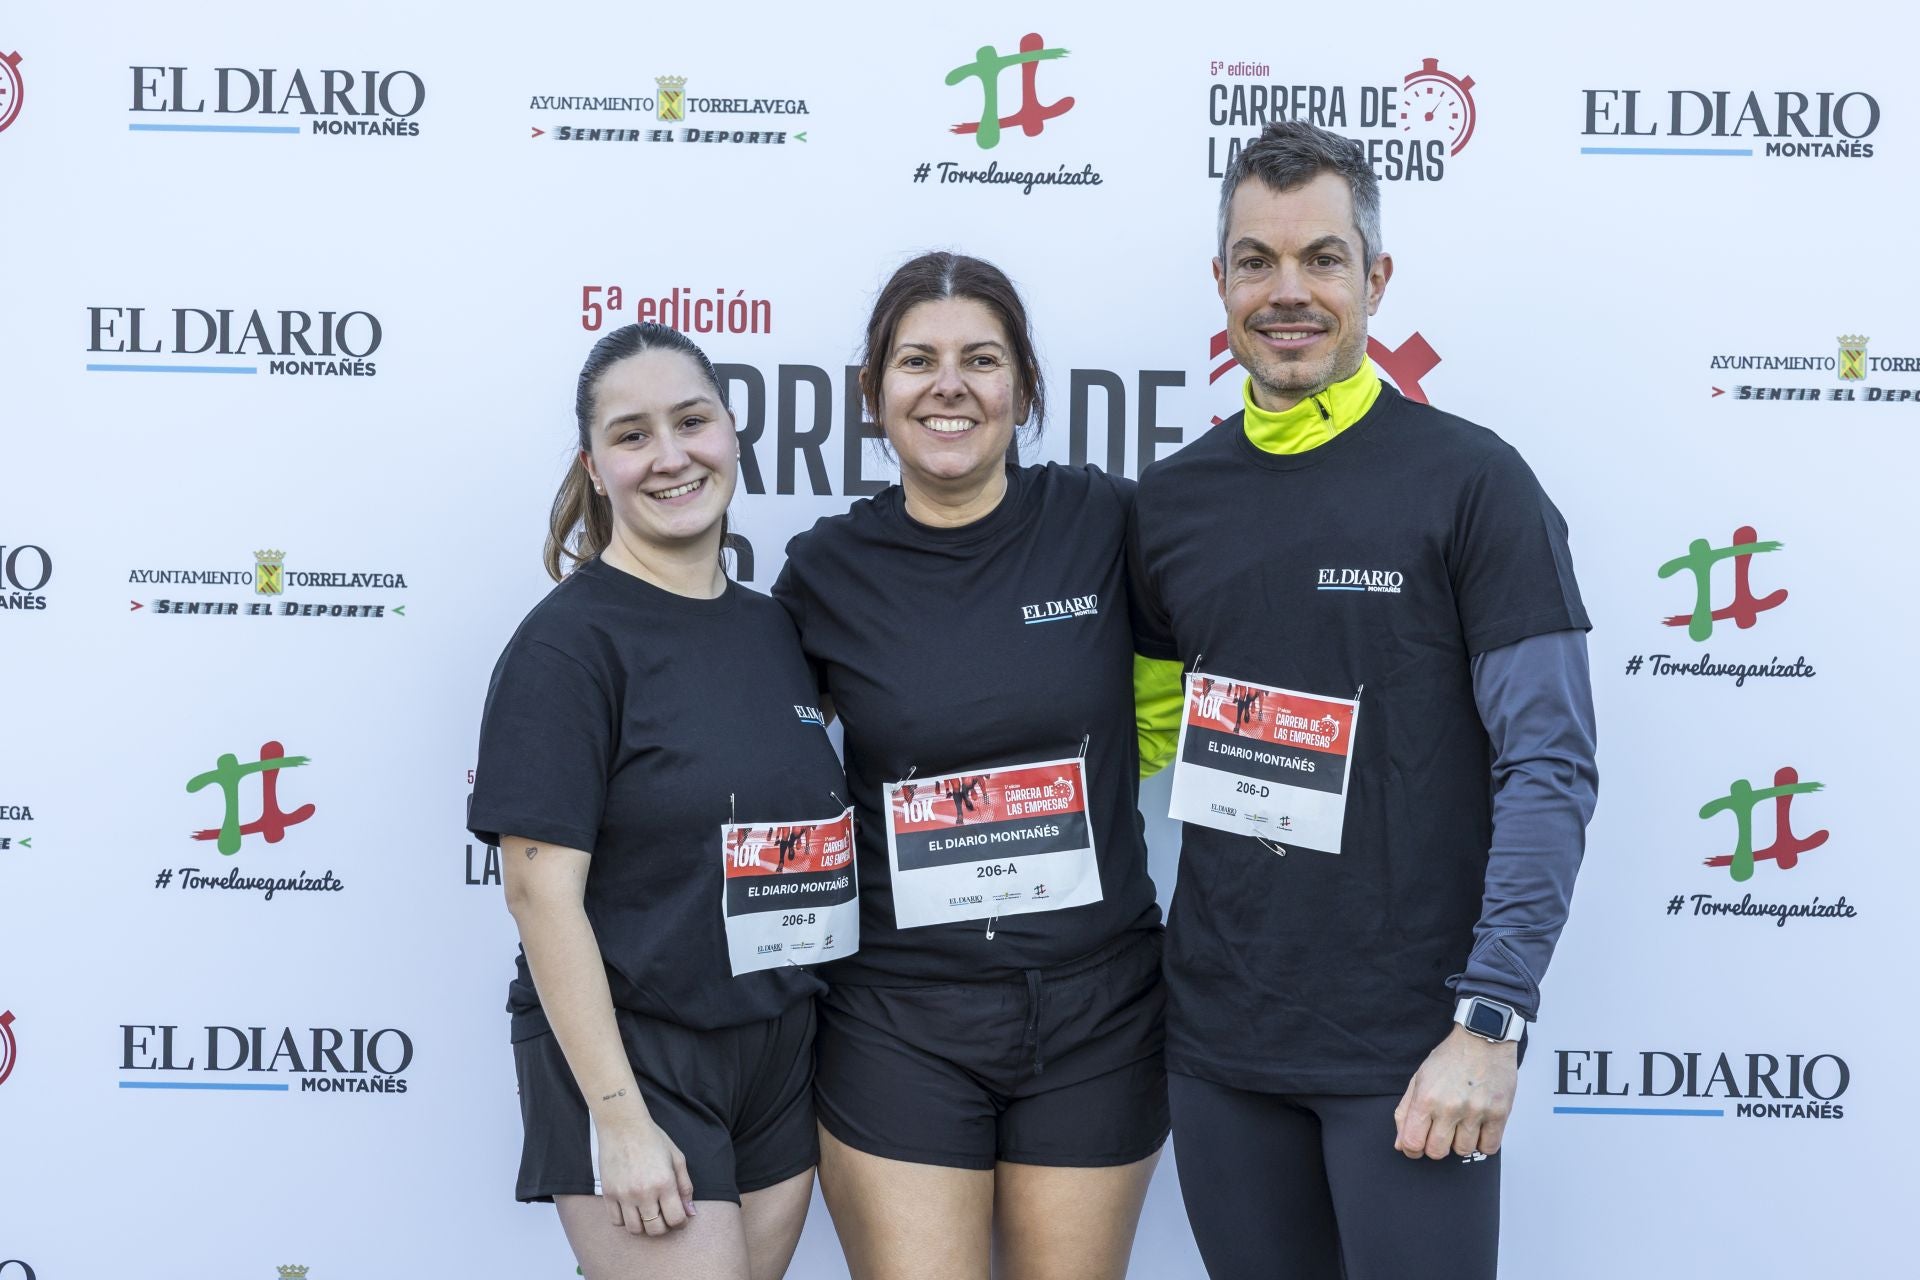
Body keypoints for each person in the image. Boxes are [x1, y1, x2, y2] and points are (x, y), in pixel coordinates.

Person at [1130, 121, 1599, 1279]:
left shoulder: (1475, 481)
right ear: (1222, 282)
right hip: (1221, 1053)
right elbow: (1124, 748)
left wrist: (1491, 1022)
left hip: (1415, 1050)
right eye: (1257, 261)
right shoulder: (1168, 507)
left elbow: (1550, 764)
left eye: (1322, 259)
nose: (1288, 293)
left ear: (1374, 278)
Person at [773, 253, 1167, 1280]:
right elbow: (742, 746)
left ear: (1025, 389)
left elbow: (1266, 619)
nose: (949, 385)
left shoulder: (1108, 522)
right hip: (900, 1016)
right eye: (917, 360)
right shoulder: (823, 571)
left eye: (981, 359)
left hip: (1100, 1011)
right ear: (873, 392)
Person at [469, 323, 855, 1280]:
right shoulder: (568, 646)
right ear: (595, 469)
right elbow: (537, 896)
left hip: (773, 1053)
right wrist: (619, 1119)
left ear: (732, 432)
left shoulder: (775, 628)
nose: (671, 456)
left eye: (692, 421)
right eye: (633, 435)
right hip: (637, 1057)